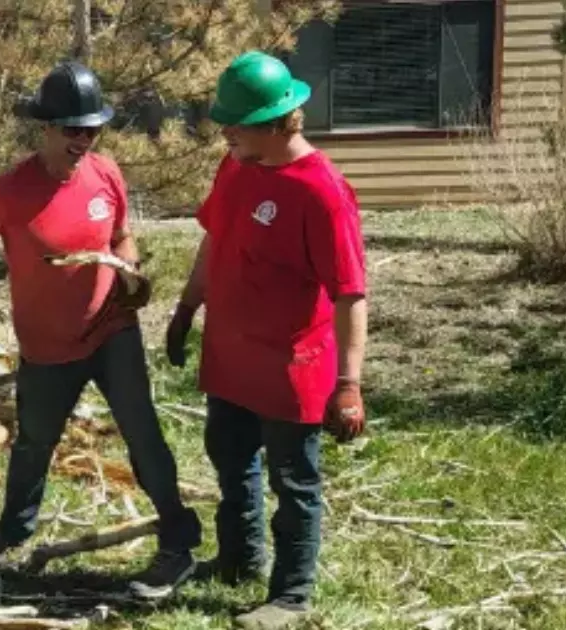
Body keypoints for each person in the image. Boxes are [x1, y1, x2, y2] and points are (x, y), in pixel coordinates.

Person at [0, 59, 203, 600]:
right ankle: (12, 543)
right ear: (45, 128)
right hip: (47, 349)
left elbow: (122, 236)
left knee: (144, 434)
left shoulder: (105, 174)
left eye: (92, 130)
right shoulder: (10, 191)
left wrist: (128, 271)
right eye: (72, 131)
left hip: (113, 333)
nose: (83, 140)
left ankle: (178, 540)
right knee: (35, 444)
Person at [164, 50, 369, 630]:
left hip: (291, 365)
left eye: (235, 122)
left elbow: (351, 292)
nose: (224, 132)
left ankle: (292, 594)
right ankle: (238, 561)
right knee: (230, 464)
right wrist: (185, 309)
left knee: (293, 481)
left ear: (277, 122)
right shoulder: (237, 164)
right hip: (231, 355)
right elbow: (214, 239)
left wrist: (348, 385)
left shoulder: (322, 193)